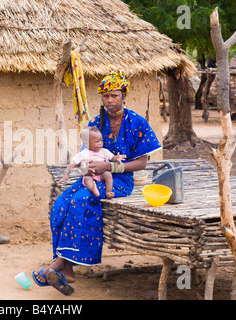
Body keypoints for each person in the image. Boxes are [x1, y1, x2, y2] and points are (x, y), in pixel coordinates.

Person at [32, 71, 162, 295]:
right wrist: (87, 168)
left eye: (114, 95)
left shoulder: (137, 122)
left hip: (118, 181)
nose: (109, 100)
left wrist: (110, 167)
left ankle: (57, 266)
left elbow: (141, 163)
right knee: (60, 205)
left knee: (82, 201)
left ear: (123, 96)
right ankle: (68, 268)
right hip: (90, 177)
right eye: (105, 96)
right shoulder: (95, 124)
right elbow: (85, 157)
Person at [58, 126, 126, 199]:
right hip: (90, 175)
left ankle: (108, 192)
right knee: (87, 179)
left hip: (102, 174)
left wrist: (117, 158)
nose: (100, 143)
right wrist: (65, 174)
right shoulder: (83, 153)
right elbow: (72, 164)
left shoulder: (104, 151)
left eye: (101, 140)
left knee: (108, 175)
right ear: (87, 143)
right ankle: (93, 190)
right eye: (97, 141)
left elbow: (112, 157)